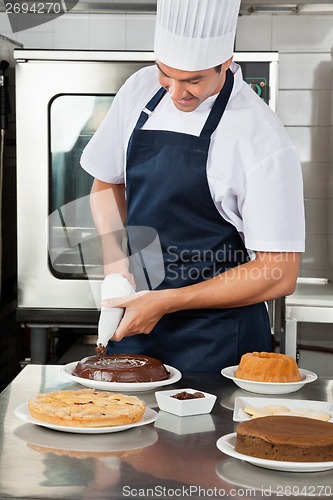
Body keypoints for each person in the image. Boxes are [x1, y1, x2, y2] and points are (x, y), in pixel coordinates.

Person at [80, 0, 305, 372]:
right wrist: (117, 264)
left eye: (194, 80)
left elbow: (279, 272)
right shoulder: (138, 90)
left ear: (226, 61)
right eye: (165, 74)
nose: (176, 92)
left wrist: (167, 301)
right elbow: (106, 183)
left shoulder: (261, 138)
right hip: (137, 319)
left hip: (217, 338)